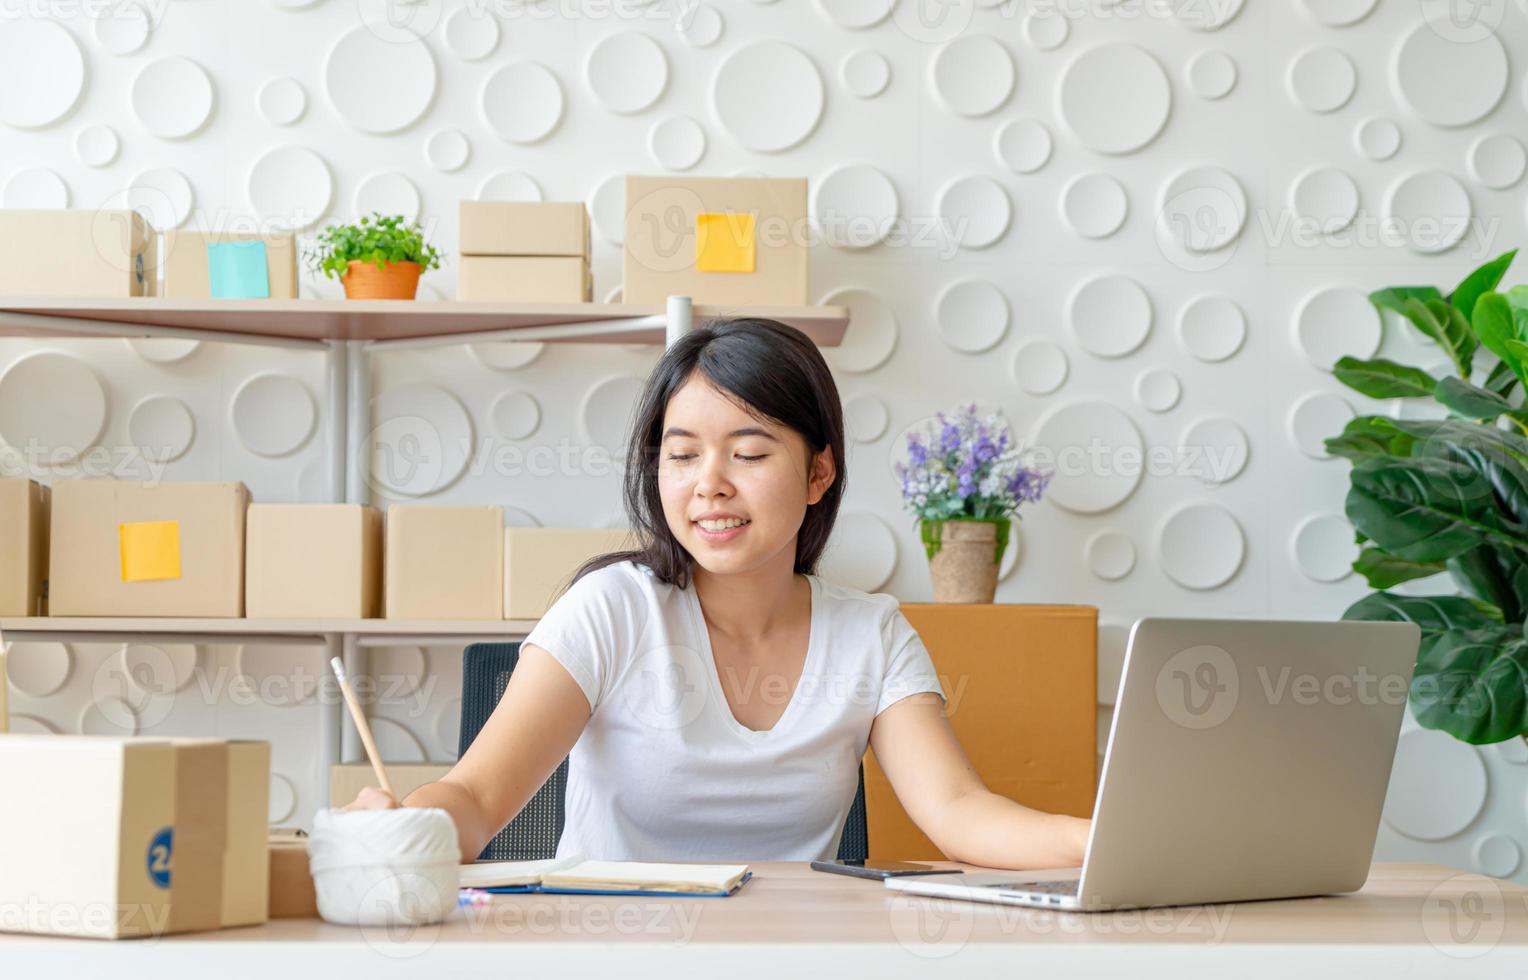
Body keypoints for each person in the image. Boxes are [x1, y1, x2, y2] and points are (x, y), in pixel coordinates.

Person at [348, 316, 1090, 868]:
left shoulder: (871, 633)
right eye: (682, 455)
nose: (710, 484)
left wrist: (1099, 840)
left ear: (818, 474)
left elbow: (957, 811)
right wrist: (409, 826)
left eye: (749, 452)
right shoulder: (613, 609)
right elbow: (475, 799)